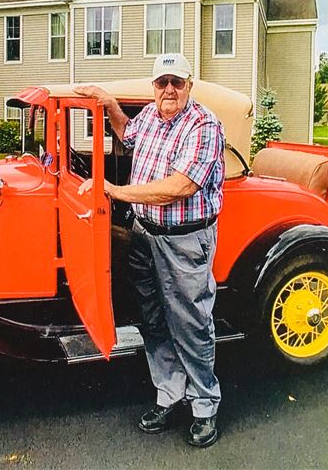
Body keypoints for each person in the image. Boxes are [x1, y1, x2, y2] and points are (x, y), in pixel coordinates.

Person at [75, 52, 225, 448]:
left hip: (185, 238)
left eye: (177, 82)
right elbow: (128, 134)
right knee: (153, 319)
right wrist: (109, 105)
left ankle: (204, 406)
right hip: (144, 234)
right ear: (154, 88)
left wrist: (114, 191)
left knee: (190, 323)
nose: (170, 89)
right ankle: (169, 394)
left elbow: (180, 187)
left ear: (189, 85)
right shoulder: (149, 118)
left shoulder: (203, 124)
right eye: (163, 83)